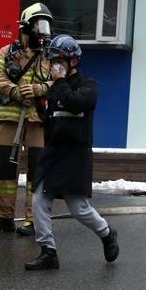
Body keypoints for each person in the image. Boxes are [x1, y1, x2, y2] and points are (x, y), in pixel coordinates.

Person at [25, 35, 119, 270]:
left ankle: (107, 234)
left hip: (75, 156)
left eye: (59, 61)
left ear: (73, 62)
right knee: (38, 199)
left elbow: (74, 103)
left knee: (79, 208)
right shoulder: (54, 88)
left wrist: (58, 82)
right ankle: (48, 251)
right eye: (52, 61)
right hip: (53, 154)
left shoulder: (88, 85)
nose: (54, 66)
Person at [0, 3, 52, 236]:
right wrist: (13, 91)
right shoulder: (7, 52)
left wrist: (40, 89)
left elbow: (62, 81)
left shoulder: (52, 55)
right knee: (3, 169)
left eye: (46, 25)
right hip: (9, 120)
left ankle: (34, 220)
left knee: (37, 171)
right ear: (26, 27)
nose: (43, 31)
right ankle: (3, 217)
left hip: (37, 121)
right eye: (38, 25)